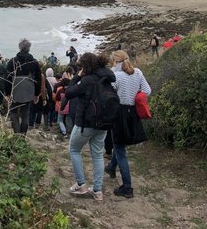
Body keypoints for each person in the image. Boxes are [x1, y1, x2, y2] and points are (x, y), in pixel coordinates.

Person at [65, 52, 116, 201]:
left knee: (74, 150)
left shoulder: (87, 80)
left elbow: (69, 92)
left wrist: (77, 77)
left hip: (86, 123)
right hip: (103, 123)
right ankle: (97, 190)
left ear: (85, 66)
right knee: (98, 155)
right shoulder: (106, 78)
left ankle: (81, 184)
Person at [105, 50, 151, 199]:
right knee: (120, 145)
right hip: (132, 113)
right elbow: (147, 91)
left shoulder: (116, 76)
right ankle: (111, 168)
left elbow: (108, 94)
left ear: (115, 62)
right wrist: (135, 95)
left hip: (119, 113)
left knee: (119, 148)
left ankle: (127, 187)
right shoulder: (137, 72)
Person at [5, 38, 42, 135]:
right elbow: (38, 79)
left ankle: (17, 134)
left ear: (19, 47)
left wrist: (7, 93)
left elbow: (8, 78)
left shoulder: (12, 62)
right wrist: (37, 94)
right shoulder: (34, 62)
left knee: (13, 113)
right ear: (29, 48)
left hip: (15, 91)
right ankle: (23, 135)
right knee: (25, 114)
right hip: (28, 92)